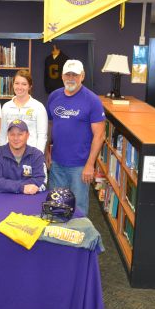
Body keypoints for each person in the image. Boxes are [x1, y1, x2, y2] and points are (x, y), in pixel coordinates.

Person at [45, 59, 105, 216]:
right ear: (62, 76)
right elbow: (50, 126)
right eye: (67, 74)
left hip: (80, 166)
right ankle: (58, 237)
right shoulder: (54, 96)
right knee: (56, 205)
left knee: (79, 209)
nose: (71, 78)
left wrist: (90, 165)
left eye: (75, 75)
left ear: (82, 76)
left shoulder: (92, 100)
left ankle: (80, 240)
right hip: (57, 163)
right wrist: (47, 152)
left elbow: (99, 136)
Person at [0, 119, 47, 194]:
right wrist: (21, 187)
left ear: (27, 135)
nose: (16, 138)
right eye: (12, 134)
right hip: (3, 199)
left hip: (29, 199)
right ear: (8, 135)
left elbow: (40, 180)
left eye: (20, 134)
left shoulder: (37, 155)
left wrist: (7, 184)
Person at [0, 69, 48, 153]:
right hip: (10, 155)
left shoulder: (38, 107)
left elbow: (42, 136)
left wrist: (37, 157)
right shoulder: (6, 107)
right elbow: (2, 134)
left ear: (30, 86)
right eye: (17, 83)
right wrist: (2, 154)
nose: (19, 87)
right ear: (13, 85)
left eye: (24, 84)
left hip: (31, 155)